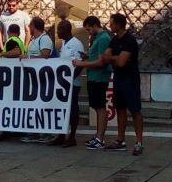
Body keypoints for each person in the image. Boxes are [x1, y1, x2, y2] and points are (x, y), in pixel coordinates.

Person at [101, 13, 144, 156]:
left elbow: (121, 62)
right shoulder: (114, 40)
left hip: (130, 79)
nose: (110, 26)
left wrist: (112, 58)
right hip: (119, 78)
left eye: (112, 23)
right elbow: (104, 57)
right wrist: (115, 58)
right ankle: (120, 139)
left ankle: (139, 141)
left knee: (135, 110)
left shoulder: (129, 40)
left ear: (119, 25)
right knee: (120, 108)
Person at [73, 16, 112, 150]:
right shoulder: (97, 39)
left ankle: (100, 138)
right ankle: (97, 136)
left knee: (100, 107)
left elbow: (102, 61)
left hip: (99, 77)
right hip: (93, 76)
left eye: (89, 29)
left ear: (94, 25)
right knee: (96, 106)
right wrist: (87, 55)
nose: (89, 32)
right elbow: (96, 56)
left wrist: (82, 63)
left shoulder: (103, 39)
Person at [20, 17, 55, 143]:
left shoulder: (44, 39)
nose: (29, 26)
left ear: (34, 26)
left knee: (42, 105)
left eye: (30, 25)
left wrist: (28, 57)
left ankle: (46, 133)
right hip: (33, 78)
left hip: (41, 78)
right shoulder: (35, 39)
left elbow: (45, 55)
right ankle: (34, 131)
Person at [49, 20, 84, 147]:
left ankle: (72, 136)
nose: (58, 32)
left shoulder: (77, 44)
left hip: (73, 83)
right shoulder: (63, 43)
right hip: (62, 82)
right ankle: (61, 135)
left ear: (67, 30)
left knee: (73, 108)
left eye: (60, 29)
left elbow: (80, 64)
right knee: (62, 108)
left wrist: (70, 77)